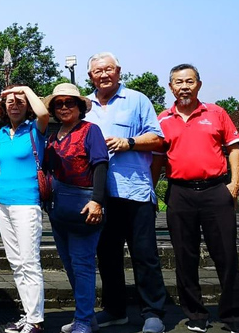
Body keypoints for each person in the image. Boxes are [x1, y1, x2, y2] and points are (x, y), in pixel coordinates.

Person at [156, 64, 239, 333]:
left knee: (226, 254)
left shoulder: (217, 113)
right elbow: (157, 159)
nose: (184, 86)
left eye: (189, 81)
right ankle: (195, 314)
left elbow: (233, 148)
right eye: (178, 82)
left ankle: (233, 316)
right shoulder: (163, 119)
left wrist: (234, 184)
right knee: (184, 256)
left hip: (215, 191)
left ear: (199, 84)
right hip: (180, 193)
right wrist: (151, 191)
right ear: (170, 87)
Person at [85, 52, 167, 333]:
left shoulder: (137, 99)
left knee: (144, 254)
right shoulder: (86, 106)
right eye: (98, 71)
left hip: (135, 191)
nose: (104, 74)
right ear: (90, 77)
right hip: (101, 194)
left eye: (109, 69)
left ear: (118, 71)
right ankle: (114, 309)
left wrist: (128, 142)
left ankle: (153, 311)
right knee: (107, 255)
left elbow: (158, 139)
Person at [42, 83, 109, 333]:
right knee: (69, 264)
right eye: (58, 103)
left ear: (80, 107)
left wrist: (98, 200)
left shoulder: (90, 131)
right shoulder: (53, 135)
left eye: (70, 102)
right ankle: (86, 315)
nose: (64, 107)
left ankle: (83, 320)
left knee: (82, 265)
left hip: (85, 205)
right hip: (59, 208)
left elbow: (101, 165)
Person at [0, 84, 49, 333]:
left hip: (26, 203)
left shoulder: (36, 130)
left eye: (20, 101)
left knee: (29, 261)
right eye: (9, 101)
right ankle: (28, 314)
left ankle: (36, 319)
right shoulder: (2, 132)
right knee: (15, 262)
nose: (14, 104)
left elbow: (44, 113)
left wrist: (23, 88)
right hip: (3, 203)